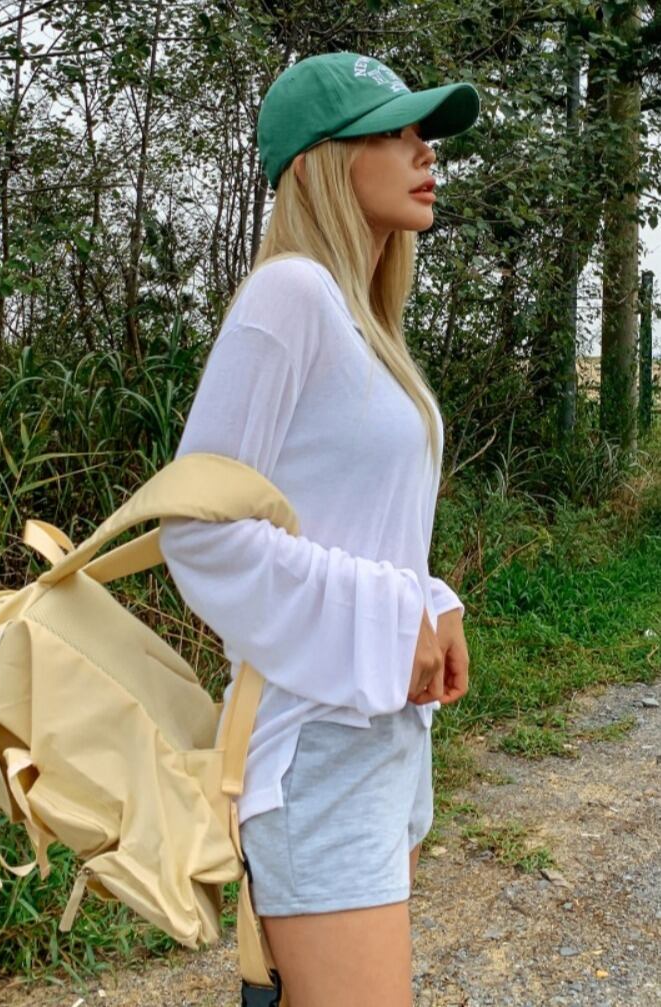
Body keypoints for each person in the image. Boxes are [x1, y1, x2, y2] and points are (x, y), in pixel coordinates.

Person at [159, 51, 476, 1007]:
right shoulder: (288, 297)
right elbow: (197, 530)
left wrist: (431, 599)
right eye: (394, 132)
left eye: (422, 133)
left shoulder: (361, 324)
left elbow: (354, 519)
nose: (424, 151)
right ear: (320, 162)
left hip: (380, 733)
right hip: (315, 743)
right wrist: (389, 615)